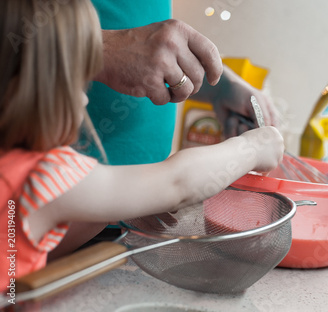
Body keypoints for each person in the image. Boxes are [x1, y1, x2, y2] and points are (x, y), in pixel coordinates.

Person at [0, 0, 284, 287]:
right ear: (26, 90)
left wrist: (134, 200)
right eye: (78, 81)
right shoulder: (44, 178)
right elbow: (178, 182)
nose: (86, 99)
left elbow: (30, 248)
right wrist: (255, 147)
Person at [84, 0, 279, 165]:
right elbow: (179, 183)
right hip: (79, 180)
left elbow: (143, 41)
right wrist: (102, 50)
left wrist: (218, 88)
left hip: (151, 180)